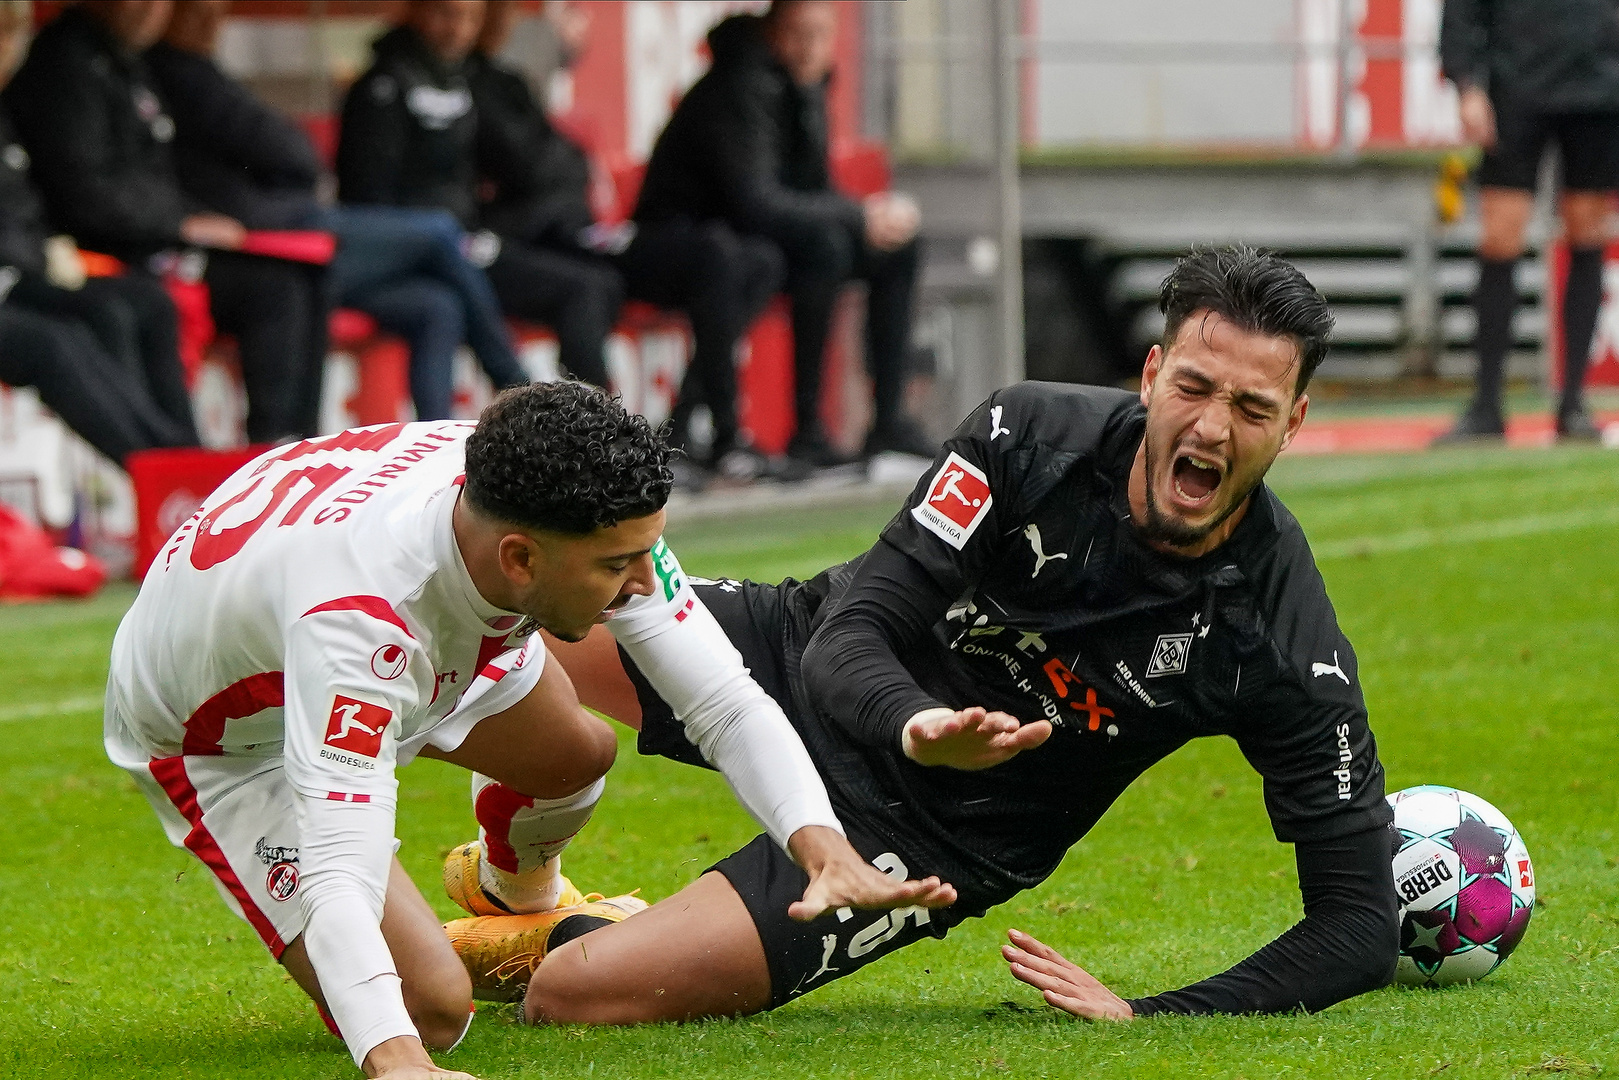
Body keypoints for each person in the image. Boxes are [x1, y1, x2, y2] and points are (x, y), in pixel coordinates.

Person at [447, 248, 1401, 1025]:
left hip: (921, 838)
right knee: (512, 616)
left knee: (572, 997)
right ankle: (516, 878)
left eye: (1251, 409)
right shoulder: (1024, 435)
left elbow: (1358, 922)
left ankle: (576, 934)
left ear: (1293, 426)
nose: (1211, 426)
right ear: (1151, 375)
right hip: (801, 651)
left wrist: (1151, 1014)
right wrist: (915, 720)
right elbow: (849, 635)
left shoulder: (1276, 634)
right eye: (1194, 387)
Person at [105, 380, 952, 1078]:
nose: (638, 584)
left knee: (578, 754)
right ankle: (441, 977)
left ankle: (515, 896)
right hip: (222, 740)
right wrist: (397, 1061)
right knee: (430, 1012)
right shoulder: (359, 629)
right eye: (616, 566)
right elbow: (340, 866)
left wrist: (823, 847)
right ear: (520, 559)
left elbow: (722, 699)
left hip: (374, 605)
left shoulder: (532, 478)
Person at [146, 0, 529, 424]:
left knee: (438, 307)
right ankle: (522, 396)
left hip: (314, 235)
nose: (211, 20)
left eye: (216, 10)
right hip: (290, 242)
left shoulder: (458, 82)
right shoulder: (179, 76)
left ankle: (438, 443)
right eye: (197, 10)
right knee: (439, 233)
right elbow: (298, 155)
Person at [469, 0, 786, 483]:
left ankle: (690, 429)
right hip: (559, 240)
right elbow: (531, 178)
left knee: (759, 261)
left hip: (584, 234)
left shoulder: (513, 89)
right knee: (687, 261)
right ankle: (606, 447)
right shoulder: (482, 93)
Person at [3, 0, 327, 444]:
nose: (149, 11)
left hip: (104, 252)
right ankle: (165, 469)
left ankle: (277, 449)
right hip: (108, 247)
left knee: (288, 278)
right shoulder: (67, 69)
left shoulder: (126, 64)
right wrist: (176, 225)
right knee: (103, 320)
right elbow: (82, 189)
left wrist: (187, 218)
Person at [634, 0, 932, 471]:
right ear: (772, 34)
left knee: (893, 248)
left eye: (820, 35)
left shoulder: (805, 85)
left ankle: (888, 420)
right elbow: (755, 200)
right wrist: (857, 215)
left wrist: (870, 217)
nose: (809, 48)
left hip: (754, 240)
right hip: (691, 241)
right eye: (798, 33)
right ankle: (803, 429)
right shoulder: (741, 85)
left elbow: (809, 191)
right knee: (821, 250)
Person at [338, 0, 623, 391]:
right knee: (566, 290)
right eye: (446, 13)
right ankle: (536, 403)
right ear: (418, 12)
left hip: (464, 241)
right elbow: (367, 198)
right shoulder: (381, 87)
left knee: (593, 281)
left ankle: (583, 421)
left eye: (470, 18)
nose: (458, 29)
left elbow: (523, 165)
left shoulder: (463, 82)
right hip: (416, 251)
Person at [0, 0, 197, 464]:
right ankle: (154, 467)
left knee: (135, 304)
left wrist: (39, 252)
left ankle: (184, 457)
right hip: (12, 284)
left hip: (18, 274)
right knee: (56, 342)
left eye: (12, 37)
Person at [1435, 0, 1619, 443]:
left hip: (1599, 89)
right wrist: (1467, 85)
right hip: (1514, 87)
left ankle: (1573, 402)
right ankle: (1487, 405)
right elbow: (1462, 10)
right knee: (1499, 236)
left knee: (1587, 233)